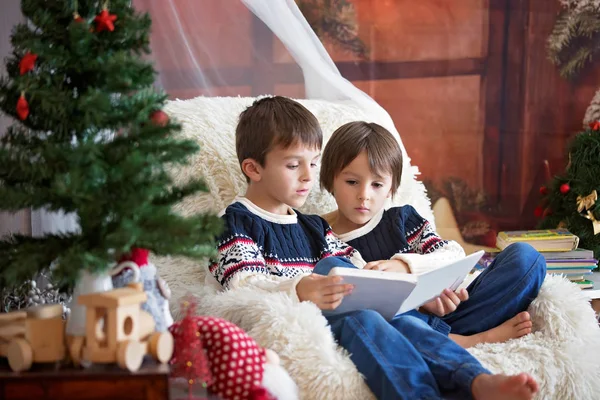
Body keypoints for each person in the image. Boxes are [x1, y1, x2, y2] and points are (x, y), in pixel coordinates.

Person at [209, 96, 539, 400]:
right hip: (309, 322)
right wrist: (301, 287)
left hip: (359, 316)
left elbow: (361, 274)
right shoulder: (233, 222)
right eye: (294, 165)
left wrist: (414, 291)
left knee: (363, 300)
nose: (308, 176)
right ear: (253, 168)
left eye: (313, 163)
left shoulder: (314, 226)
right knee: (338, 283)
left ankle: (475, 379)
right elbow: (244, 289)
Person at [319, 121, 547, 348]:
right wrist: (418, 306)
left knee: (526, 257)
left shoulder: (403, 220)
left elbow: (452, 254)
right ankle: (472, 340)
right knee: (375, 312)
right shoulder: (317, 234)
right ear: (331, 180)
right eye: (352, 182)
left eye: (377, 184)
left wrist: (407, 269)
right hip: (398, 326)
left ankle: (451, 335)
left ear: (391, 188)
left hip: (449, 314)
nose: (364, 195)